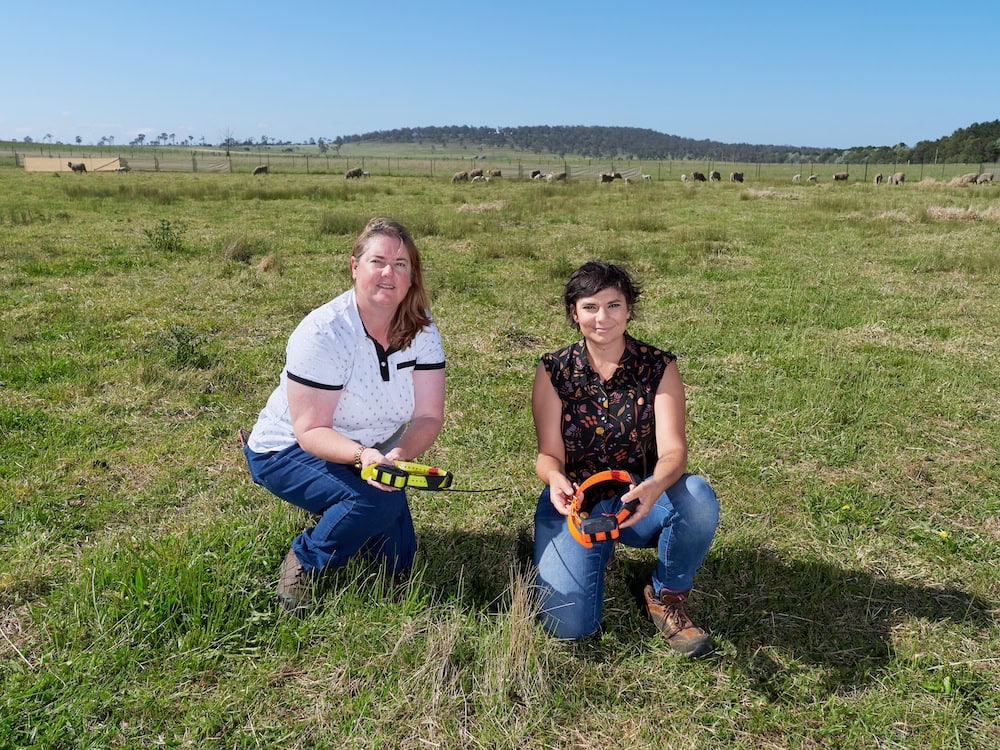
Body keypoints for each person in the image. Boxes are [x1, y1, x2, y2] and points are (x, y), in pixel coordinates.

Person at [243, 217, 446, 611]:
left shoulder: (422, 329)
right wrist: (364, 457)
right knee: (377, 504)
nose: (389, 272)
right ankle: (305, 557)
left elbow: (428, 416)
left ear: (412, 274)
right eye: (378, 261)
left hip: (370, 451)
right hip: (287, 450)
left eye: (401, 264)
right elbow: (310, 430)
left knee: (398, 561)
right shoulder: (324, 332)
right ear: (355, 266)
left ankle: (343, 512)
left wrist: (399, 456)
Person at [531, 260, 719, 657]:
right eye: (590, 307)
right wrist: (555, 480)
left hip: (639, 500)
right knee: (568, 626)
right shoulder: (554, 370)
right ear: (574, 312)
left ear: (629, 309)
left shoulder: (658, 366)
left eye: (614, 305)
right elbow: (548, 455)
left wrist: (653, 486)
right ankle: (589, 548)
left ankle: (666, 596)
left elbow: (674, 452)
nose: (602, 317)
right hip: (578, 505)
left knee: (698, 499)